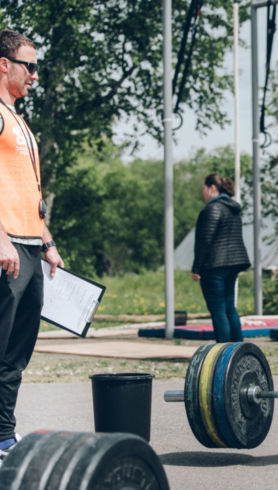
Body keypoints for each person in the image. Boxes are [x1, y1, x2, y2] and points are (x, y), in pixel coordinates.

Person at [0, 29, 64, 463]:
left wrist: (47, 241)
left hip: (28, 245)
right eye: (30, 66)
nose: (35, 76)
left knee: (16, 355)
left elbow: (27, 189)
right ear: (4, 64)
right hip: (4, 247)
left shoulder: (19, 120)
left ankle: (4, 435)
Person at [191, 174, 250, 343]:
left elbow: (205, 240)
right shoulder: (233, 209)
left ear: (212, 188)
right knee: (229, 308)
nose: (203, 193)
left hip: (214, 266)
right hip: (232, 264)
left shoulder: (213, 209)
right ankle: (238, 348)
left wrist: (196, 268)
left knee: (218, 310)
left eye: (204, 188)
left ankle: (223, 350)